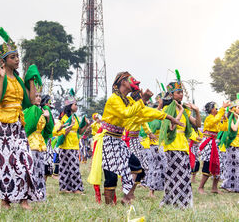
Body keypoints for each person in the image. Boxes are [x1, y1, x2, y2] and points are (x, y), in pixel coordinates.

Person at [96, 72, 182, 205]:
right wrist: (142, 100)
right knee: (111, 176)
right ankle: (109, 207)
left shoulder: (128, 100)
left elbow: (144, 112)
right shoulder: (114, 99)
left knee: (137, 168)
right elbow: (126, 114)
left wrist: (168, 117)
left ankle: (127, 197)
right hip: (108, 140)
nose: (136, 82)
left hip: (118, 141)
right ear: (123, 81)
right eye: (132, 79)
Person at [0, 29, 43, 209]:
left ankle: (23, 198)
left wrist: (32, 79)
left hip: (18, 124)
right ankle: (5, 199)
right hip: (2, 124)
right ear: (4, 61)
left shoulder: (18, 80)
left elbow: (29, 101)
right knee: (6, 162)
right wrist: (2, 77)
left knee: (25, 159)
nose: (17, 60)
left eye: (18, 56)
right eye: (13, 57)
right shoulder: (0, 76)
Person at [160, 80, 202, 208]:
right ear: (171, 95)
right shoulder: (167, 109)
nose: (181, 95)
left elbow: (197, 124)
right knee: (174, 178)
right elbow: (171, 127)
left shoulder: (185, 111)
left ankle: (181, 203)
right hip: (171, 148)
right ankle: (174, 203)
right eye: (178, 93)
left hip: (183, 147)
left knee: (184, 177)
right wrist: (179, 111)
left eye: (182, 92)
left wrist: (197, 111)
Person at [53, 89, 89, 194]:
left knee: (73, 167)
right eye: (75, 104)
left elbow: (79, 132)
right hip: (65, 146)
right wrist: (70, 126)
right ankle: (68, 188)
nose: (77, 106)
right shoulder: (64, 118)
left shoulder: (76, 118)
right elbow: (61, 131)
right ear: (69, 106)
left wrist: (86, 125)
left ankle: (73, 188)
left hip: (74, 145)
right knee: (66, 168)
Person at [24, 90, 54, 200]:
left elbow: (49, 129)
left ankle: (38, 194)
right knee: (31, 170)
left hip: (40, 143)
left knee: (39, 170)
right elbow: (28, 127)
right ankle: (29, 195)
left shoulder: (41, 110)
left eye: (39, 96)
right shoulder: (29, 110)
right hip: (30, 142)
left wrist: (47, 117)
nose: (38, 98)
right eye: (36, 96)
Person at [198, 101, 231, 194]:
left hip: (215, 143)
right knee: (207, 164)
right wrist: (222, 109)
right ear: (211, 109)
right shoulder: (209, 118)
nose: (217, 109)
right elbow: (215, 120)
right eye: (216, 108)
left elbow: (224, 128)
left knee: (218, 164)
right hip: (209, 142)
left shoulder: (217, 117)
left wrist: (224, 119)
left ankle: (214, 188)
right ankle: (200, 187)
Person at [220, 99, 239, 193]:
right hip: (232, 144)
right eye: (238, 107)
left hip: (238, 144)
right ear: (233, 109)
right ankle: (229, 185)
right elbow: (234, 128)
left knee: (238, 165)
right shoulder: (230, 119)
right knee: (237, 164)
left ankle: (236, 186)